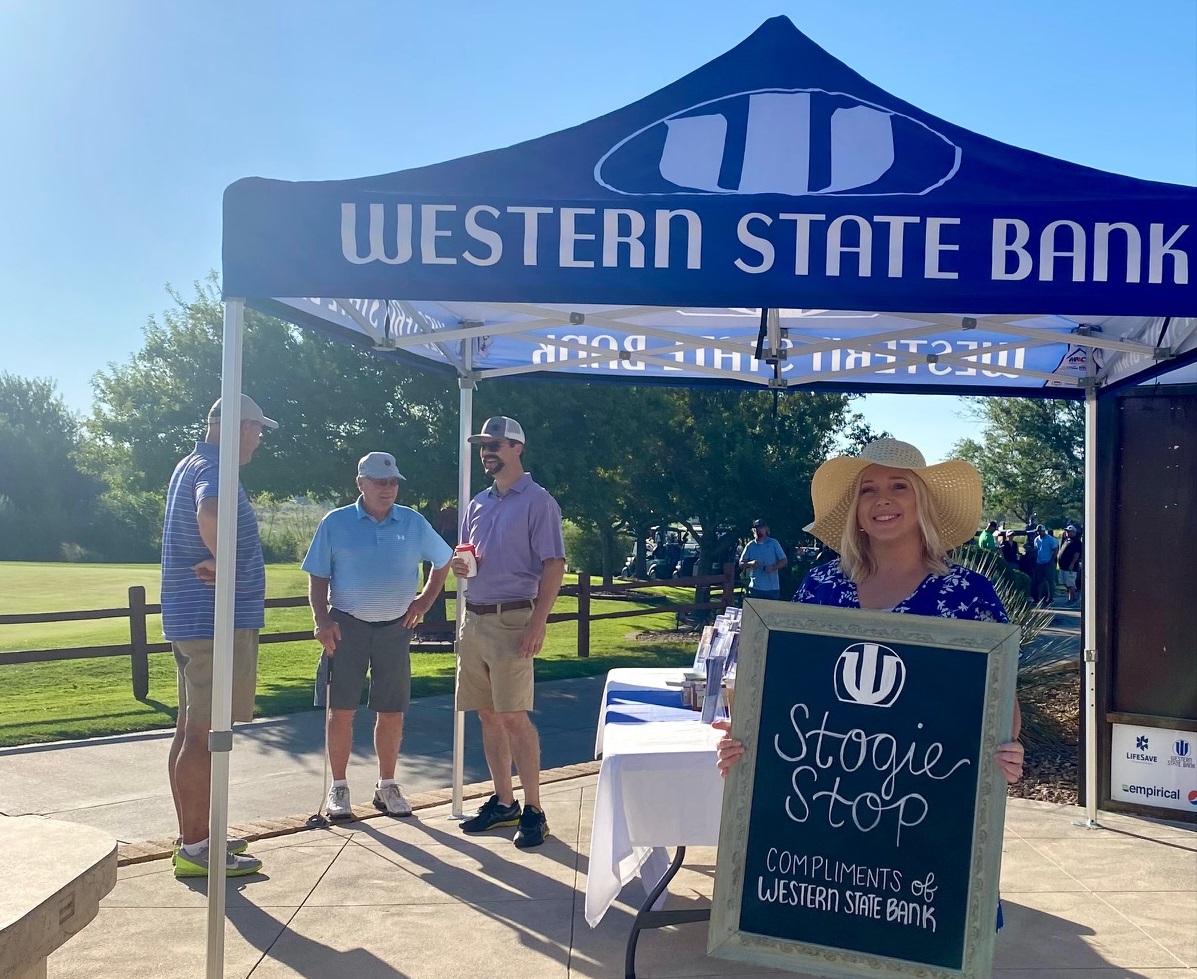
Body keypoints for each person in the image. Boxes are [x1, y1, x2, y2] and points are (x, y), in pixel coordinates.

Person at [714, 438, 1023, 777]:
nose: (882, 499)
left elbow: (1003, 708)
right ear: (857, 510)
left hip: (924, 792)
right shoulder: (822, 586)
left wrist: (1004, 753)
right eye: (868, 490)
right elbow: (786, 686)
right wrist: (746, 736)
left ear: (923, 503)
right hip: (820, 790)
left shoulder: (967, 593)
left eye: (899, 486)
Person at [161, 394, 276, 879]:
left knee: (190, 728)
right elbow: (209, 511)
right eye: (257, 429)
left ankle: (196, 834)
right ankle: (197, 849)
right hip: (214, 622)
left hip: (194, 620)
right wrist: (226, 562)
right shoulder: (216, 469)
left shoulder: (189, 462)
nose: (259, 438)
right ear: (240, 428)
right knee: (205, 733)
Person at [303, 452, 453, 820]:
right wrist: (321, 619)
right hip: (346, 626)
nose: (389, 489)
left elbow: (444, 560)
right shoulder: (335, 523)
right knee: (341, 711)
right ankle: (338, 788)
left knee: (392, 711)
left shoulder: (413, 522)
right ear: (361, 483)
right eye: (380, 482)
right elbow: (318, 576)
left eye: (394, 482)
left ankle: (387, 786)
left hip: (395, 629)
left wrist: (424, 601)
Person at [452, 416, 566, 848]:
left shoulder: (539, 502)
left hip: (516, 618)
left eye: (495, 444)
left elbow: (553, 565)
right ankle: (504, 803)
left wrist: (539, 623)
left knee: (514, 716)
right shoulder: (478, 503)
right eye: (483, 445)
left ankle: (534, 810)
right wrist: (461, 565)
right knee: (486, 714)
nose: (487, 452)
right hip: (474, 618)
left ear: (517, 448)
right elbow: (465, 556)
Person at [738, 519, 788, 600]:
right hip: (755, 588)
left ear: (766, 529)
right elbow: (741, 564)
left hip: (772, 588)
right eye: (756, 528)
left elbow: (784, 561)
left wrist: (772, 568)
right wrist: (751, 564)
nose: (758, 530)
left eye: (761, 528)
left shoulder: (773, 543)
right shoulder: (750, 545)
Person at [1032, 523, 1060, 606]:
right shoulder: (1036, 539)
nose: (1039, 532)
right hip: (1039, 562)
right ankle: (1039, 598)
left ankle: (1051, 597)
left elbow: (1055, 550)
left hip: (1048, 562)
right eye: (1038, 531)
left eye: (1041, 531)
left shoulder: (1050, 539)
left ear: (1044, 531)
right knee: (1039, 580)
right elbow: (1036, 550)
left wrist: (1052, 560)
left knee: (1050, 581)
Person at [1057, 523, 1083, 604]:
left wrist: (1072, 564)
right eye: (1067, 531)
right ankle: (1072, 596)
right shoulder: (1067, 540)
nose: (1067, 533)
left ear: (1074, 532)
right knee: (1064, 583)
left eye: (1069, 531)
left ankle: (1072, 598)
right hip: (1063, 566)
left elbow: (1077, 554)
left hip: (1070, 567)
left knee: (1070, 583)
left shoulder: (1076, 542)